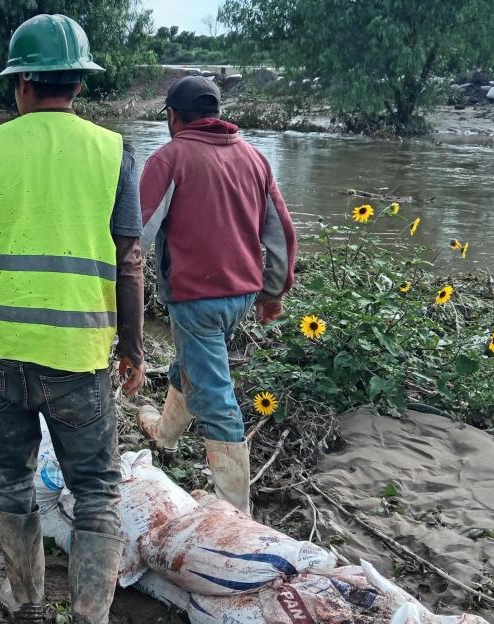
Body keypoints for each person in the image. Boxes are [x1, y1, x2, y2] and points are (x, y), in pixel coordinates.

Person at [0, 14, 144, 624]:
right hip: (78, 358)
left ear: (20, 84)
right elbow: (130, 261)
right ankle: (91, 614)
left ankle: (26, 603)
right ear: (79, 83)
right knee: (96, 491)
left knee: (11, 479)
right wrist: (134, 348)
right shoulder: (115, 152)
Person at [136, 76, 297, 514]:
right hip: (241, 296)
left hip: (196, 299)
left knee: (217, 398)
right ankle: (165, 434)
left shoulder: (170, 158)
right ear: (216, 114)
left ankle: (235, 509)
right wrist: (273, 291)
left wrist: (116, 291)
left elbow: (138, 235)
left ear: (172, 115)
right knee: (191, 361)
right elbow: (280, 233)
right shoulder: (254, 158)